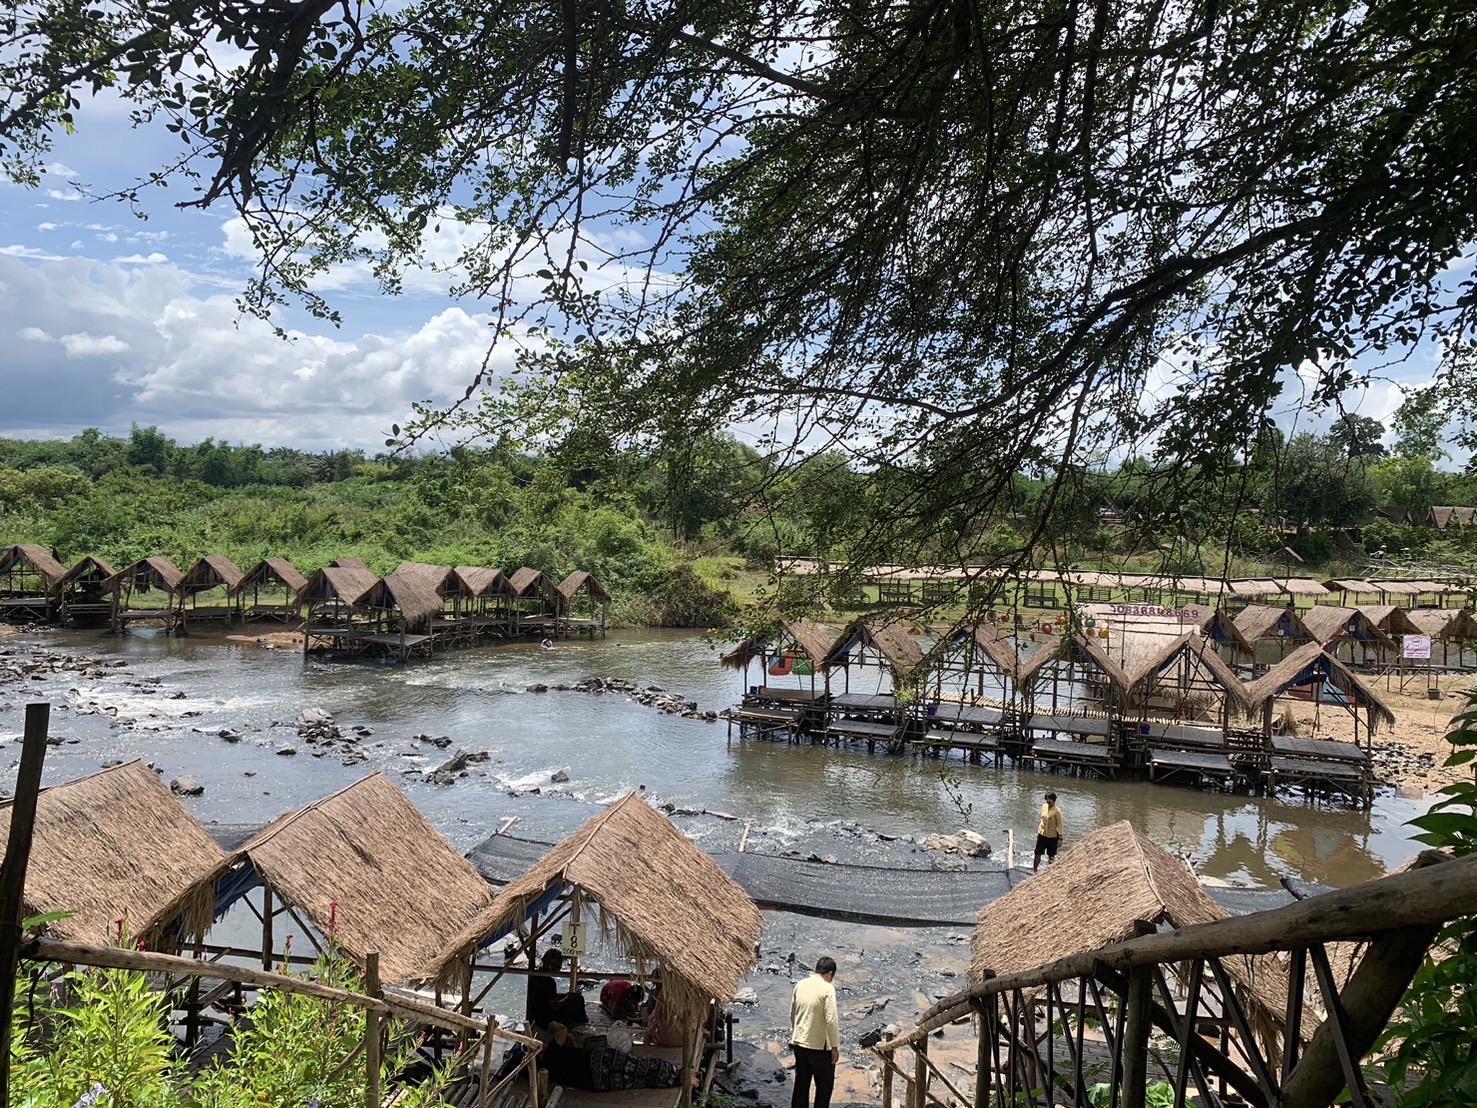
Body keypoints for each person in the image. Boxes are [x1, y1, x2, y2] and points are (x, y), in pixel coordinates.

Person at [540, 1021, 684, 1091]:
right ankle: (676, 1073)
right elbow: (563, 1030)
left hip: (596, 1083)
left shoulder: (548, 1070)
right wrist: (552, 1023)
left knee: (637, 1082)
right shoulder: (552, 1051)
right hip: (599, 1061)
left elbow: (569, 1042)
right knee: (640, 1066)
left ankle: (673, 1080)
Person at [789, 955, 840, 1108]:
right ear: (830, 974)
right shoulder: (827, 989)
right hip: (818, 1046)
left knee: (801, 1084)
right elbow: (832, 1020)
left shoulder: (800, 984)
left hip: (799, 1042)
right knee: (824, 1087)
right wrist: (835, 1047)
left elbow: (792, 1013)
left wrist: (797, 1032)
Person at [526, 949, 588, 1029]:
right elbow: (555, 1006)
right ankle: (579, 1023)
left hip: (538, 1016)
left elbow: (548, 997)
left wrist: (566, 995)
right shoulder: (549, 982)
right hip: (548, 1019)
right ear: (551, 965)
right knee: (579, 1000)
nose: (560, 967)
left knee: (575, 999)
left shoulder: (535, 976)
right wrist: (568, 998)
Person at [1033, 791, 1064, 873]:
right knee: (1037, 853)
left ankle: (1049, 873)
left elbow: (1060, 824)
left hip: (1052, 836)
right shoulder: (1044, 807)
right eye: (1047, 799)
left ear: (1054, 800)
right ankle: (1035, 871)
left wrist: (1060, 838)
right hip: (1042, 834)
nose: (1048, 801)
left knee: (1051, 856)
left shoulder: (1057, 811)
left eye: (1050, 799)